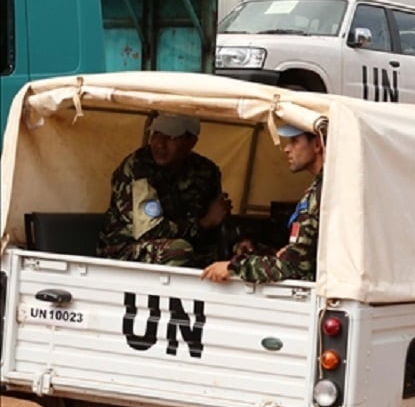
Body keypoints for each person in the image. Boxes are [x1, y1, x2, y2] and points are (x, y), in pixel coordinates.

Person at [97, 112, 230, 267]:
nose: (160, 144)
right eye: (156, 134)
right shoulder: (138, 166)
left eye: (171, 137)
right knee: (178, 250)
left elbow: (218, 219)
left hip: (187, 244)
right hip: (125, 249)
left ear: (191, 142)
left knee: (234, 258)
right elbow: (149, 231)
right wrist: (203, 224)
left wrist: (236, 243)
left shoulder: (205, 170)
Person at [201, 124, 324, 283]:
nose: (287, 149)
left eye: (294, 141)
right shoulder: (323, 187)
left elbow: (293, 267)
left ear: (317, 145)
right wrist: (259, 251)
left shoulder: (324, 192)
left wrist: (235, 267)